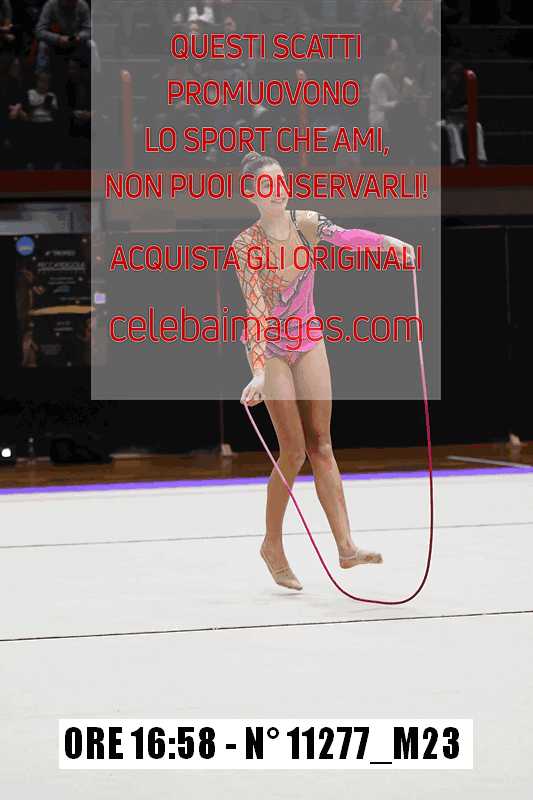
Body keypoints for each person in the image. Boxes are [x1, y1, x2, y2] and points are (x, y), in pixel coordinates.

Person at [233, 151, 415, 591]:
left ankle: (346, 547)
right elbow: (255, 312)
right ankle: (272, 545)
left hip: (308, 337)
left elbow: (348, 237)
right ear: (251, 193)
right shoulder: (245, 245)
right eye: (266, 184)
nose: (277, 189)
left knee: (323, 444)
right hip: (271, 346)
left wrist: (388, 243)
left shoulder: (307, 224)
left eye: (281, 180)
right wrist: (258, 371)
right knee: (293, 450)